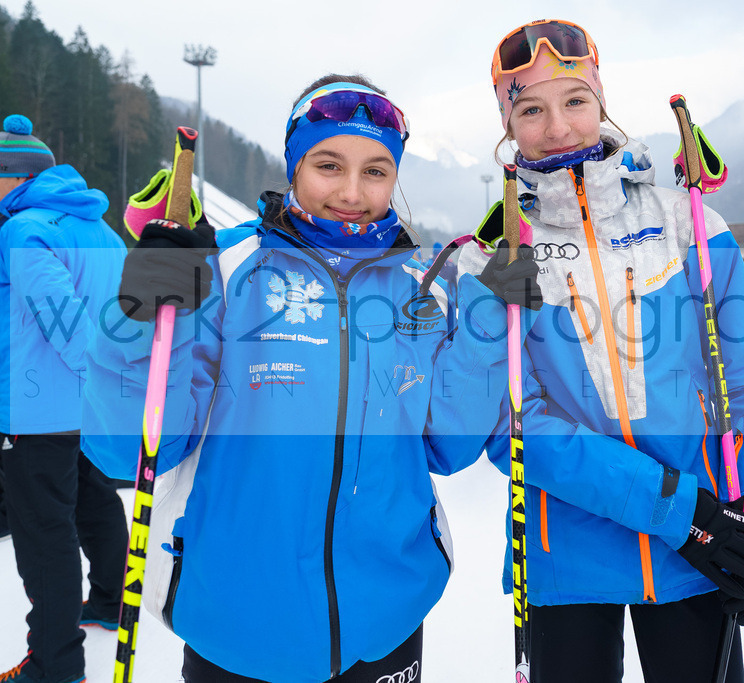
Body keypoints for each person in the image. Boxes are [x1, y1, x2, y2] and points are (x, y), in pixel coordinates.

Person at [81, 75, 540, 683]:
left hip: (386, 620)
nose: (352, 192)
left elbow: (447, 447)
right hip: (236, 623)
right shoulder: (228, 269)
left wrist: (486, 323)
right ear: (294, 165)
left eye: (376, 171)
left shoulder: (421, 289)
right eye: (329, 164)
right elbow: (128, 448)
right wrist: (139, 321)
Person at [458, 20, 744, 682]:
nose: (557, 128)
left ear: (601, 99)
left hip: (702, 546)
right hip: (566, 559)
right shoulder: (493, 253)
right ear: (507, 124)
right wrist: (673, 507)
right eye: (531, 109)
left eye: (574, 100)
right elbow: (509, 425)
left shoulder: (687, 220)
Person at [0, 115, 130, 683]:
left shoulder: (23, 230)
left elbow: (65, 319)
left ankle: (55, 664)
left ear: (13, 177)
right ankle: (109, 599)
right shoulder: (99, 229)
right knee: (94, 499)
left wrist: (94, 369)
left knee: (43, 530)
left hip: (36, 407)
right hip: (86, 406)